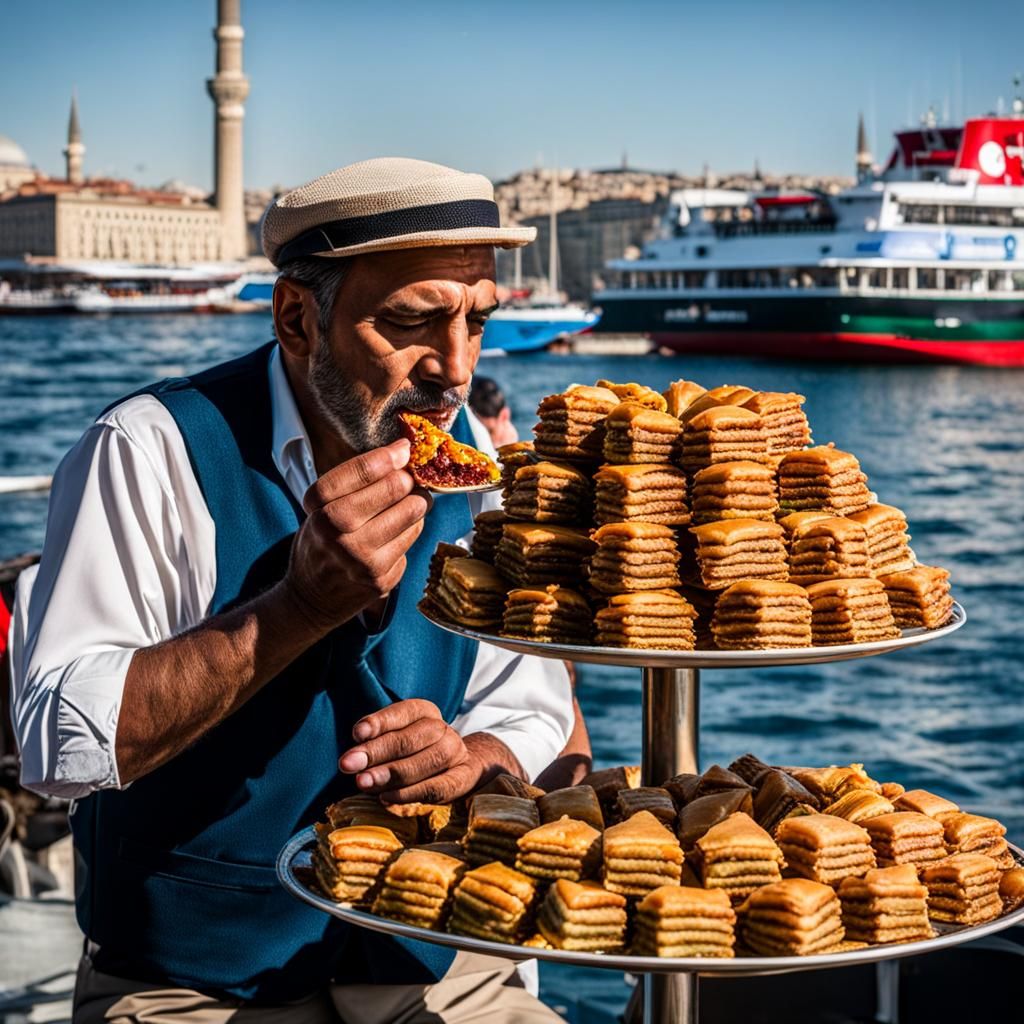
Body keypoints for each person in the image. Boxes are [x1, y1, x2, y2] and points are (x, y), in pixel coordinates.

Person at [9, 158, 576, 1024]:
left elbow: (527, 705)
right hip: (194, 977)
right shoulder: (149, 451)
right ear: (296, 318)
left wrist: (473, 760)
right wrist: (295, 608)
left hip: (429, 954)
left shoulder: (479, 475)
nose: (455, 370)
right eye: (413, 323)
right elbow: (59, 746)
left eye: (477, 323)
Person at [468, 378, 592, 791]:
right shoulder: (479, 451)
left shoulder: (479, 452)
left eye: (475, 323)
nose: (452, 367)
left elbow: (537, 704)